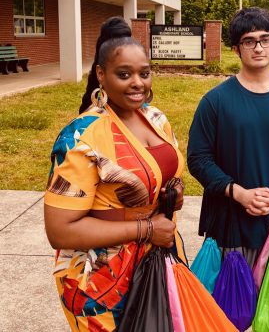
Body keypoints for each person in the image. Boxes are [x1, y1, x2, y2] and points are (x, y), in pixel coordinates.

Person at [44, 33, 185, 331]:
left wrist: (173, 191)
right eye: (124, 74)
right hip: (100, 279)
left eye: (144, 73)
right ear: (101, 75)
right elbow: (60, 230)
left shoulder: (156, 117)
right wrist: (146, 229)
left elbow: (165, 169)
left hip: (157, 257)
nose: (137, 83)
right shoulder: (81, 136)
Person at [187, 7, 269, 266]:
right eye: (249, 41)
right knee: (231, 306)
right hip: (229, 225)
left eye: (265, 39)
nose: (258, 48)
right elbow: (198, 158)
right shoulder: (215, 101)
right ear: (236, 48)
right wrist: (238, 192)